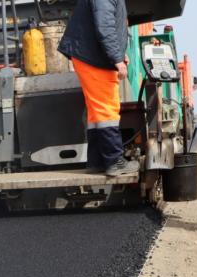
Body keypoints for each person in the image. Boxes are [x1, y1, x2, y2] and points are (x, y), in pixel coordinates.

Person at [58, 0, 139, 177]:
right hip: (94, 57)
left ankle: (97, 161)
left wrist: (119, 52)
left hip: (90, 54)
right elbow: (105, 26)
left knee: (97, 112)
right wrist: (117, 58)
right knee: (107, 110)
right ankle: (114, 161)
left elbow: (108, 25)